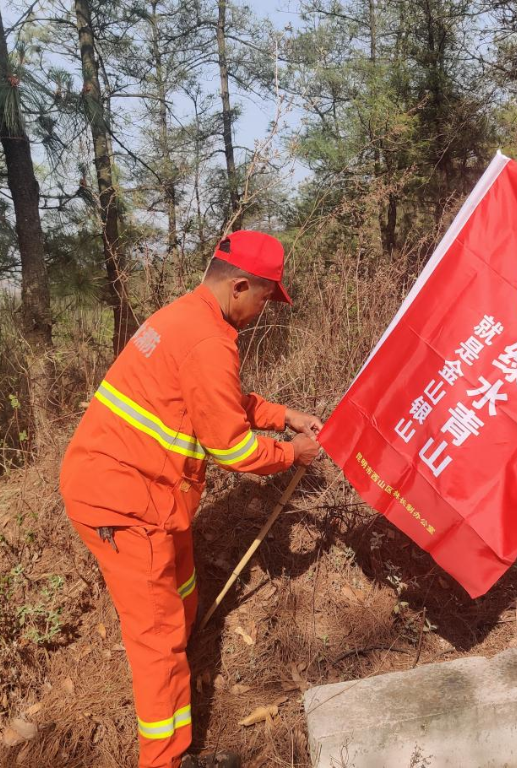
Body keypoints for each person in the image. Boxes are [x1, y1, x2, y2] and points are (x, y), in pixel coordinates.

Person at [59, 230, 322, 768]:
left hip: (147, 495)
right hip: (126, 504)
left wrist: (281, 414)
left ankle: (181, 719)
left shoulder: (186, 317)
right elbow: (230, 446)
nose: (266, 309)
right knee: (158, 647)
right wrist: (291, 454)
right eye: (266, 297)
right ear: (240, 286)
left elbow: (217, 399)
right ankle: (165, 761)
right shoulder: (207, 339)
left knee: (182, 599)